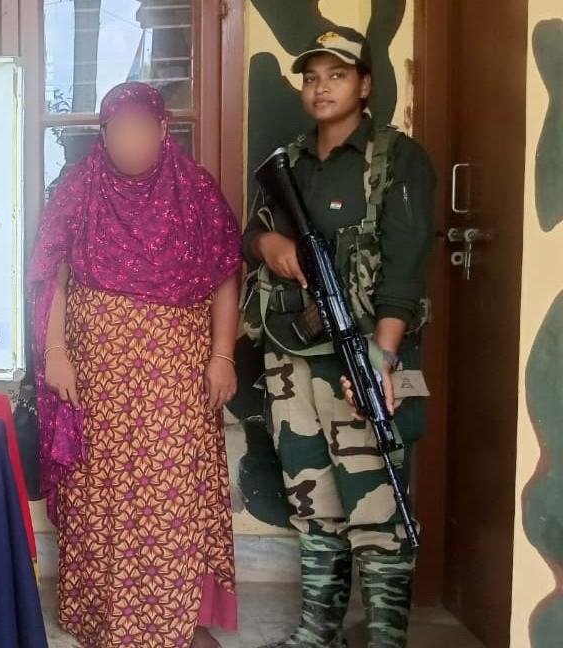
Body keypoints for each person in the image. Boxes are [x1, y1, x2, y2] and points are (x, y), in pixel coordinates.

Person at [240, 28, 436, 648]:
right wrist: (269, 244)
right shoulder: (290, 163)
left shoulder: (397, 159)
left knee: (378, 504)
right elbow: (251, 233)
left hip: (365, 353)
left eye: (338, 75)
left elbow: (405, 268)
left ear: (366, 85)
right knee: (311, 497)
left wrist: (383, 355)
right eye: (311, 77)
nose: (321, 88)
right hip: (291, 354)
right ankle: (315, 633)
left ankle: (385, 638)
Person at [31, 81, 242, 648]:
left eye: (141, 127)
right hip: (96, 375)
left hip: (177, 375)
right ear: (103, 135)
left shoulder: (195, 190)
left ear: (164, 129)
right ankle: (106, 619)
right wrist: (56, 353)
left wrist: (222, 356)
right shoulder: (79, 188)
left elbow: (225, 272)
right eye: (117, 129)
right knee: (100, 493)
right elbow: (53, 276)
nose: (129, 140)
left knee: (174, 489)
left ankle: (179, 623)